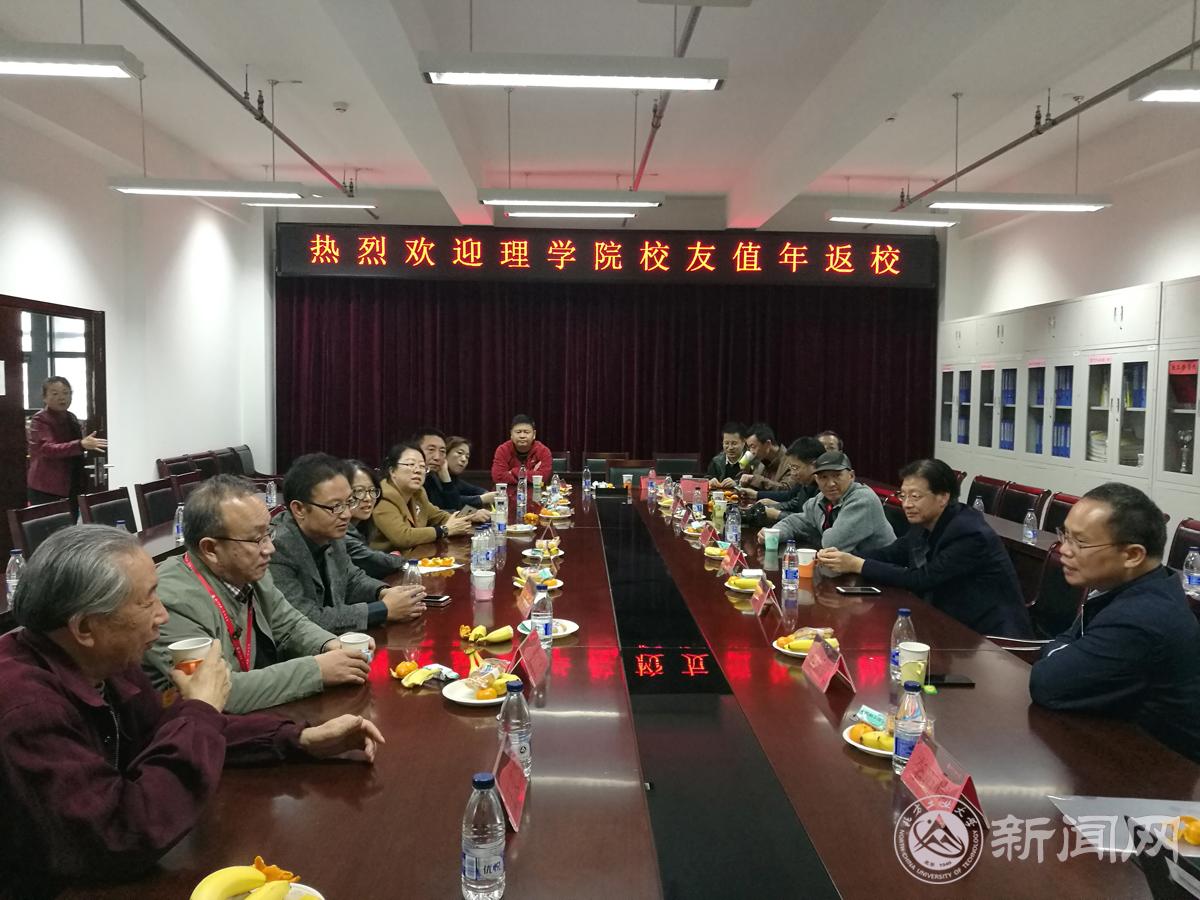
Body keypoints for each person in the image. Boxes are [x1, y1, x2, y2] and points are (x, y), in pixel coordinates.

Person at [0, 525, 383, 898]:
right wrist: (200, 707)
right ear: (85, 627)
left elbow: (167, 734)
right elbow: (122, 834)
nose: (162, 616)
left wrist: (299, 738)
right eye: (148, 601)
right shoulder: (26, 707)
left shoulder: (102, 659)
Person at [147, 475, 375, 714]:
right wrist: (316, 670)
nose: (270, 548)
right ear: (211, 549)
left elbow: (289, 624)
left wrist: (330, 644)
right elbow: (214, 693)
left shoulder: (249, 572)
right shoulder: (171, 602)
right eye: (257, 539)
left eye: (269, 533)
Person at [1028, 483, 1200, 762]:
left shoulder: (1143, 618)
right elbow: (1065, 642)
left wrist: (1061, 652)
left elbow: (1047, 683)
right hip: (1118, 746)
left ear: (1132, 555)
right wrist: (1063, 651)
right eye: (1065, 535)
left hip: (1160, 771)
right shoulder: (1133, 587)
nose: (1064, 549)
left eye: (1080, 542)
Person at [816, 459, 1032, 637]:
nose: (907, 504)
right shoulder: (926, 522)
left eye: (915, 496)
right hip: (950, 623)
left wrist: (858, 564)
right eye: (903, 495)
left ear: (943, 497)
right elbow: (893, 553)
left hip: (992, 638)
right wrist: (843, 559)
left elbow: (923, 578)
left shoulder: (969, 532)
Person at [268, 453, 426, 634]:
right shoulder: (276, 546)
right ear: (299, 509)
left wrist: (383, 592)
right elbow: (303, 619)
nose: (347, 514)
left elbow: (352, 579)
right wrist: (383, 609)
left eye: (349, 502)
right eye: (336, 506)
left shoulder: (331, 532)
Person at [764, 451, 893, 555]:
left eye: (837, 475)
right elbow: (795, 522)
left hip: (879, 572)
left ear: (851, 476)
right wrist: (774, 534)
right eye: (824, 477)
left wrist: (810, 532)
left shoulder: (863, 499)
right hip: (848, 570)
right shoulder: (820, 499)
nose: (830, 483)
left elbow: (833, 544)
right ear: (816, 479)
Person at [372, 442, 474, 551]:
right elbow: (403, 537)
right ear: (392, 471)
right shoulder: (383, 496)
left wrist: (463, 518)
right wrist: (445, 530)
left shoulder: (418, 493)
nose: (418, 470)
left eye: (422, 466)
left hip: (415, 555)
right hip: (387, 559)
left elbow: (439, 516)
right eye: (411, 464)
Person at [26, 376, 107, 510]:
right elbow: (47, 449)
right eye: (55, 394)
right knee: (51, 523)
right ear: (44, 397)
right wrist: (80, 445)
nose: (62, 397)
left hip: (72, 485)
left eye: (66, 393)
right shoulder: (40, 419)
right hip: (47, 487)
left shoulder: (71, 417)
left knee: (73, 522)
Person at [343, 459, 408, 578]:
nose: (368, 498)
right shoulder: (339, 532)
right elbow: (375, 561)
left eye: (372, 491)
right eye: (359, 491)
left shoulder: (363, 526)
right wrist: (395, 558)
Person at [743, 437, 824, 522]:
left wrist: (777, 514)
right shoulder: (806, 484)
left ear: (813, 465)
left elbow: (811, 521)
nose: (792, 474)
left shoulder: (824, 490)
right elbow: (795, 504)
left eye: (795, 467)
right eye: (791, 467)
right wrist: (767, 508)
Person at [415, 427, 488, 522]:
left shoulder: (435, 475)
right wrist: (470, 513)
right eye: (431, 450)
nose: (437, 457)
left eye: (467, 457)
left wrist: (446, 478)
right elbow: (429, 514)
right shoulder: (420, 477)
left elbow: (453, 506)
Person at [491, 414, 552, 485]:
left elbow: (543, 478)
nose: (522, 436)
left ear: (534, 434)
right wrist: (532, 475)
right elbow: (498, 477)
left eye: (526, 432)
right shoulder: (502, 450)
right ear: (511, 434)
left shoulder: (543, 451)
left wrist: (514, 472)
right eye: (518, 432)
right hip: (509, 491)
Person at [739, 423, 794, 491]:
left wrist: (755, 479)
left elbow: (787, 490)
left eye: (753, 447)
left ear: (767, 444)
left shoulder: (791, 462)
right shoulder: (761, 462)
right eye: (749, 448)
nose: (751, 452)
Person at [446, 436, 497, 510]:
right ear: (445, 453)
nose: (464, 459)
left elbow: (474, 490)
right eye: (459, 453)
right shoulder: (433, 477)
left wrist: (487, 494)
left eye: (467, 457)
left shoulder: (454, 478)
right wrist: (481, 499)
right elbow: (450, 501)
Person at [706, 422, 746, 488]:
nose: (730, 447)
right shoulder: (716, 461)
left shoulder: (750, 460)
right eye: (726, 443)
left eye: (734, 443)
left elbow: (754, 485)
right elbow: (707, 478)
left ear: (744, 442)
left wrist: (737, 484)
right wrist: (709, 482)